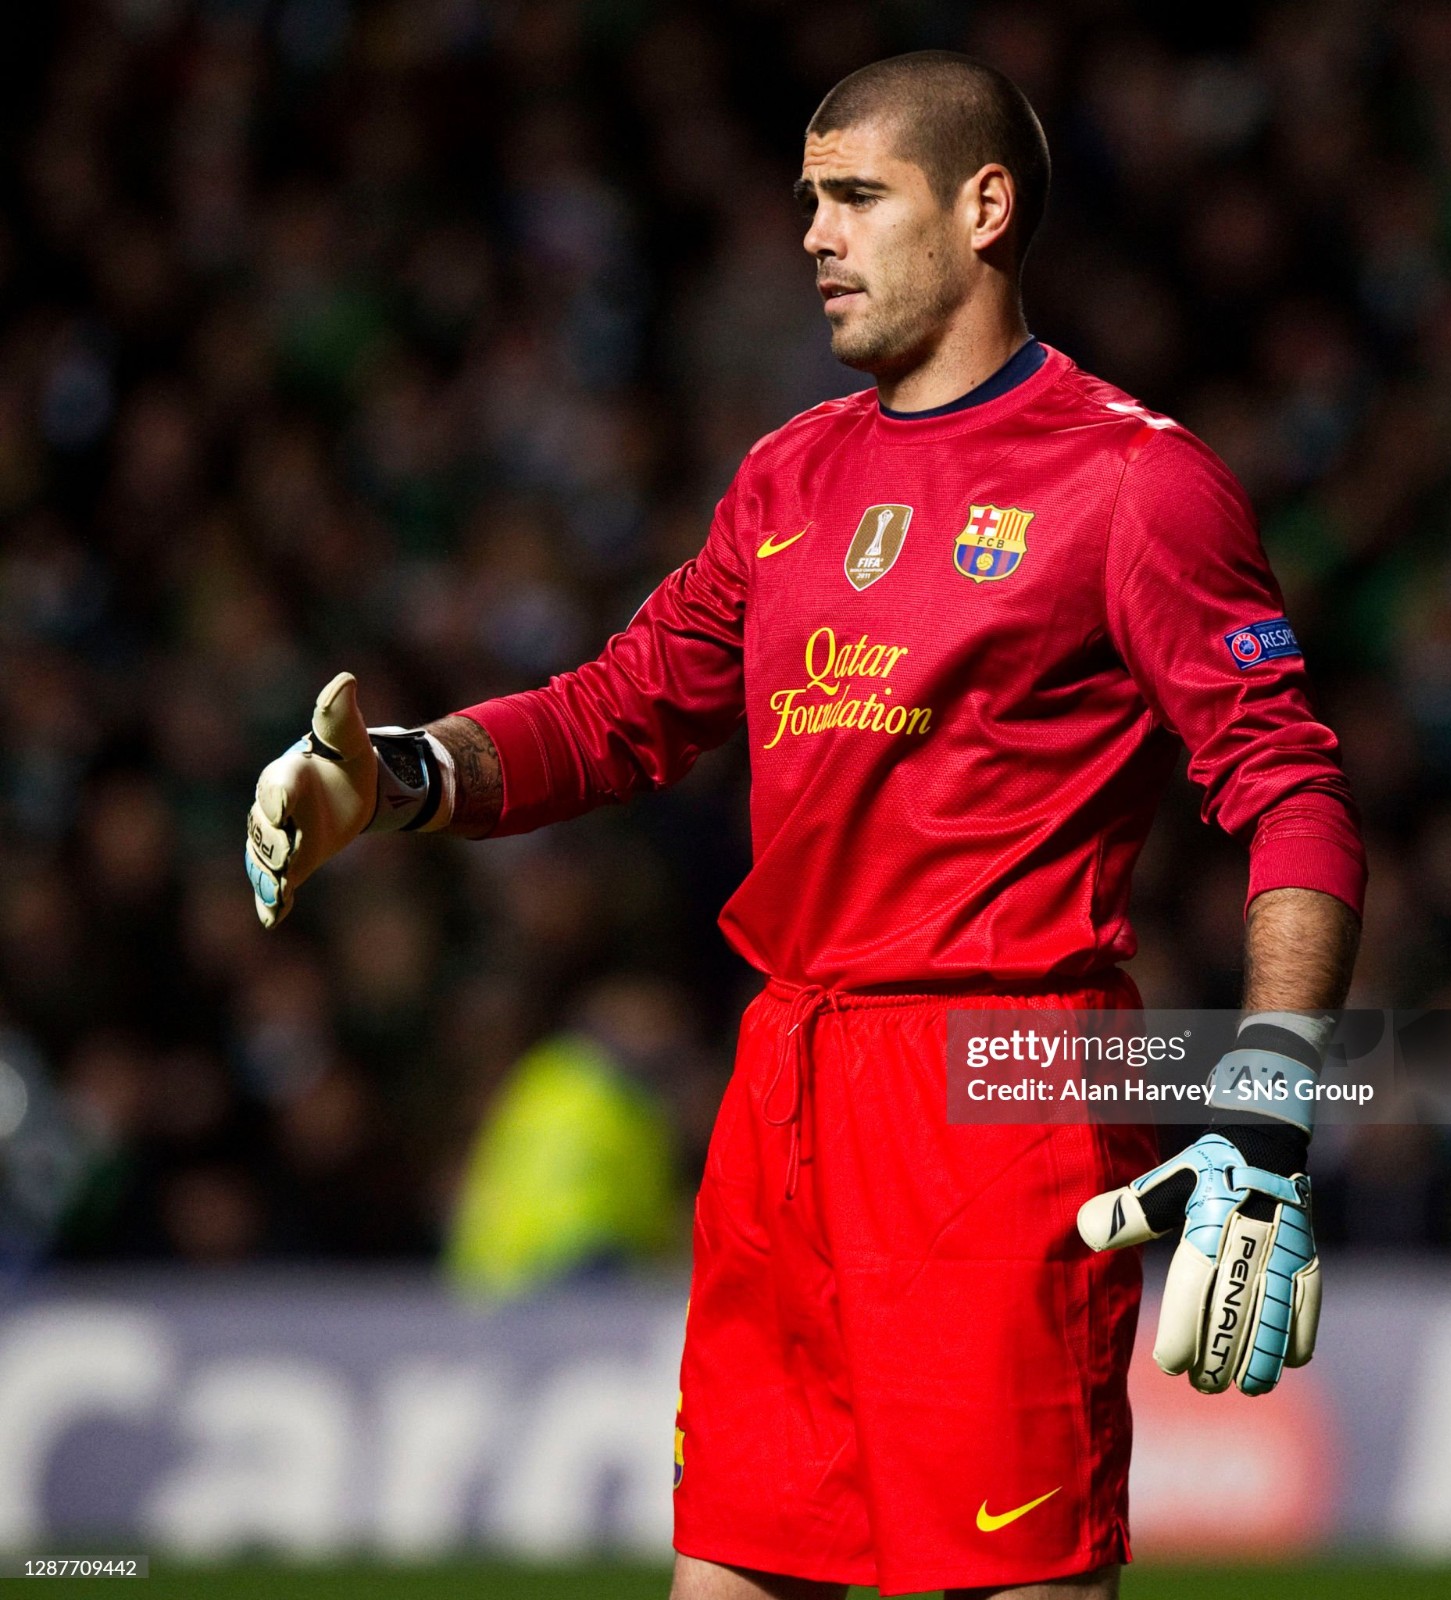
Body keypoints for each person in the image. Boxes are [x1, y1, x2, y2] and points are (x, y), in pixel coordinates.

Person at [245, 51, 1363, 1600]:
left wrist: (1269, 1108)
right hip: (784, 1096)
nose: (815, 237)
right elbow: (621, 708)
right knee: (731, 1579)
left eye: (855, 197)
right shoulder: (790, 474)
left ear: (985, 209)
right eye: (807, 203)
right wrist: (401, 772)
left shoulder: (1134, 482)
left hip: (997, 1102)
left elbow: (1292, 791)